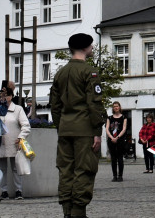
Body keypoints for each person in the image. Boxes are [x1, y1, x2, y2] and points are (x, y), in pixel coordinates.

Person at [49, 32, 105, 218]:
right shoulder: (90, 72)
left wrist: (61, 126)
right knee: (84, 170)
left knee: (66, 171)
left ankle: (67, 212)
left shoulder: (60, 73)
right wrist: (97, 131)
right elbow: (94, 103)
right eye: (90, 45)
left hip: (65, 128)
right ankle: (78, 213)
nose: (92, 47)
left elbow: (55, 106)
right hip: (85, 129)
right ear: (84, 47)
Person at [0, 85, 32, 200]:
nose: (4, 97)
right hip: (0, 142)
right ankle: (4, 191)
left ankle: (18, 190)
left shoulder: (18, 109)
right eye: (2, 95)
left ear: (11, 96)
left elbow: (26, 125)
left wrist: (21, 137)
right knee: (1, 169)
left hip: (14, 142)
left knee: (16, 168)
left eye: (7, 95)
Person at [105, 101, 128, 182]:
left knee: (120, 158)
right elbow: (107, 129)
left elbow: (124, 129)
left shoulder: (123, 117)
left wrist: (117, 137)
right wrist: (112, 137)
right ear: (113, 108)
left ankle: (120, 175)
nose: (116, 107)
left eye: (117, 106)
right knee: (113, 159)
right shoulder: (109, 118)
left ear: (119, 107)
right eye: (114, 106)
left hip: (120, 140)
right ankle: (114, 175)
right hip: (111, 140)